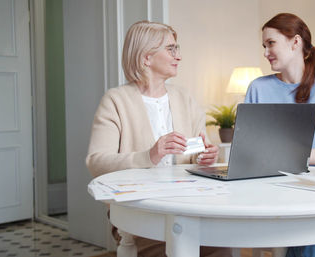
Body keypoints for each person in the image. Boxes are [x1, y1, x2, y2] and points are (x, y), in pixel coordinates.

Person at [86, 20, 231, 257]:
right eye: (171, 49)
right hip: (140, 211)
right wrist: (149, 155)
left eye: (177, 48)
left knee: (222, 248)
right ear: (146, 58)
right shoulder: (115, 101)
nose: (178, 56)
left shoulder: (185, 98)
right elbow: (97, 161)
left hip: (188, 205)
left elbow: (196, 152)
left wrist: (205, 157)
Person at [245, 13, 315, 257]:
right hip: (268, 190)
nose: (265, 52)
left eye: (271, 43)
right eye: (264, 45)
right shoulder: (258, 88)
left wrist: (278, 155)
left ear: (295, 42)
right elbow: (249, 150)